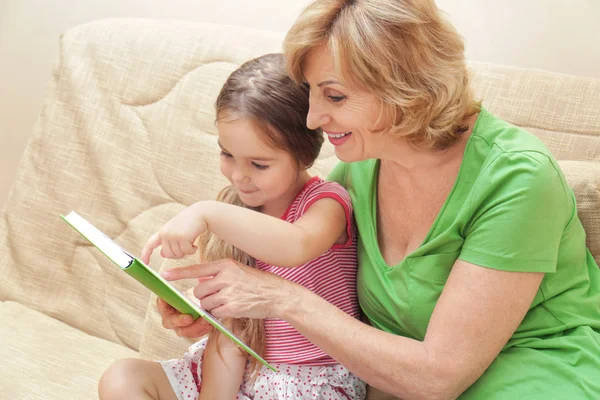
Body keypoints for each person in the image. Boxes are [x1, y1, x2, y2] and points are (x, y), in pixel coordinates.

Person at [154, 1, 600, 399]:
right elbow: (302, 263)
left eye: (335, 95)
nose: (312, 118)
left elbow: (438, 377)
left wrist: (279, 299)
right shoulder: (361, 165)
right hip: (394, 380)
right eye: (311, 90)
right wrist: (220, 313)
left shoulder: (518, 179)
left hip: (531, 375)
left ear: (405, 87)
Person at [97, 53, 366, 400]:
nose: (239, 176)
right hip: (233, 371)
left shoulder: (325, 202)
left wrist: (207, 213)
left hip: (305, 384)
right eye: (227, 155)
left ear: (305, 155)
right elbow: (232, 330)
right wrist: (195, 306)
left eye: (258, 163)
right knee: (123, 377)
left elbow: (296, 245)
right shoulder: (234, 210)